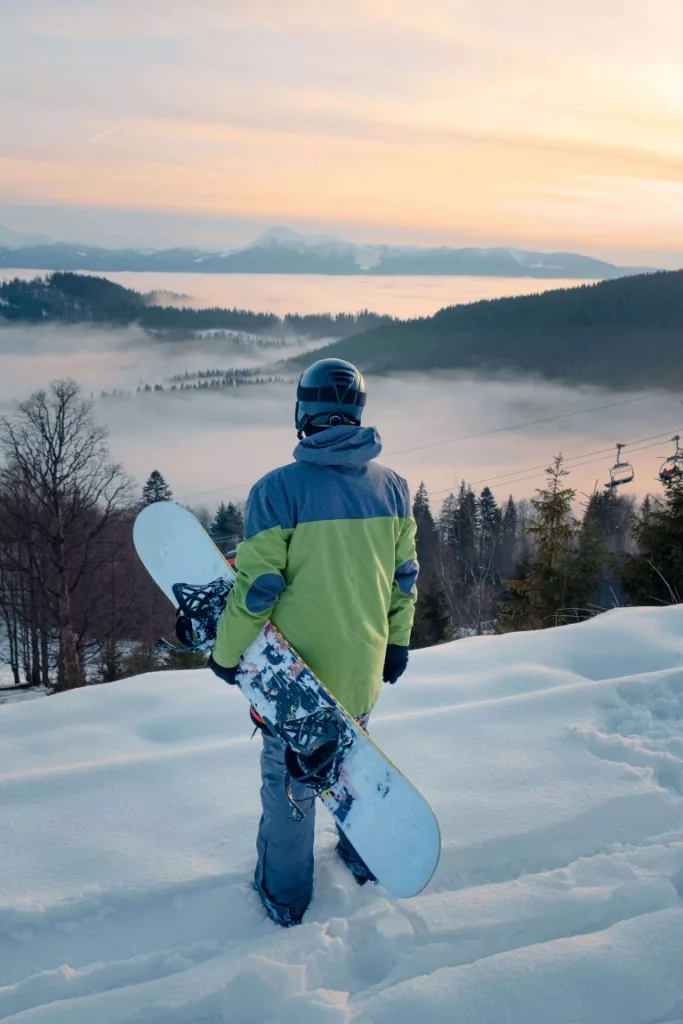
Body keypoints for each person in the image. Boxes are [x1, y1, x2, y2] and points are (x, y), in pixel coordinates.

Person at [208, 357, 418, 927]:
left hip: (296, 682)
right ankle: (361, 852)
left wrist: (226, 655)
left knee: (291, 787)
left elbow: (256, 591)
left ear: (302, 412)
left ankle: (285, 895)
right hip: (363, 668)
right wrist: (396, 643)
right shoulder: (393, 489)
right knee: (350, 764)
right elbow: (404, 577)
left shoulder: (277, 491)